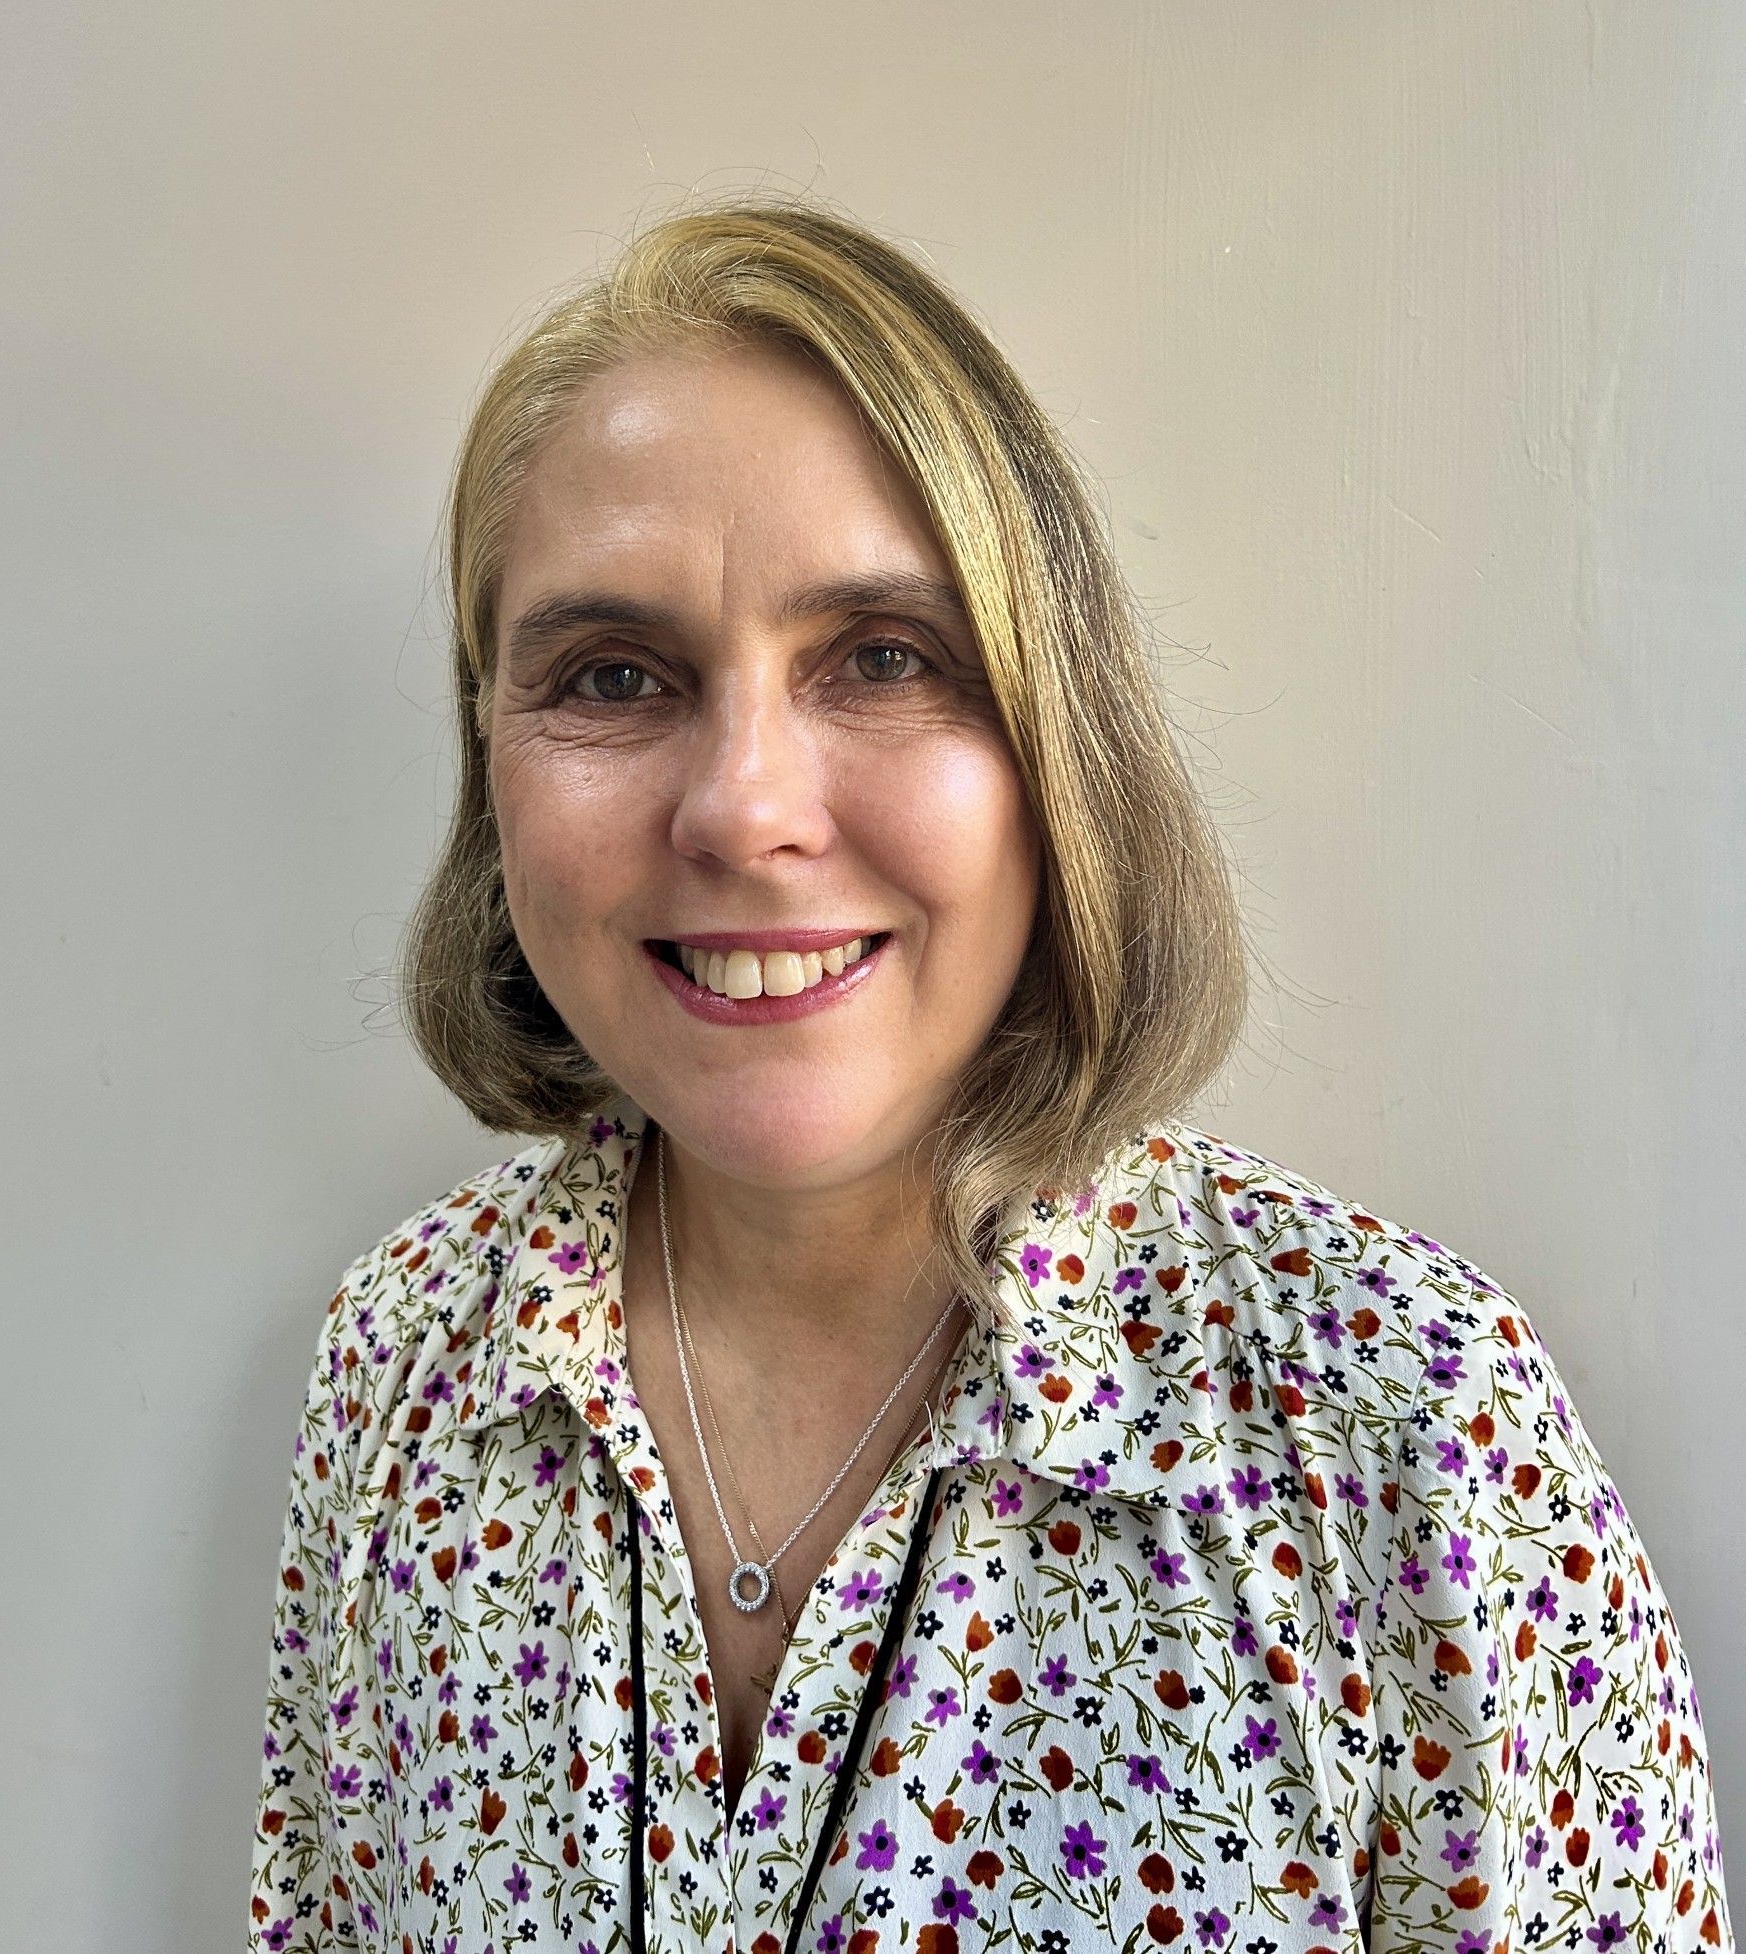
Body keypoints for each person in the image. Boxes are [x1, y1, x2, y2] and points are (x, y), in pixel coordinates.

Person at [246, 197, 1732, 1954]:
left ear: (1054, 743)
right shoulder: (398, 1371)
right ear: (490, 764)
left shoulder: (1406, 1429)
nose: (744, 808)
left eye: (884, 657)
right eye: (613, 674)